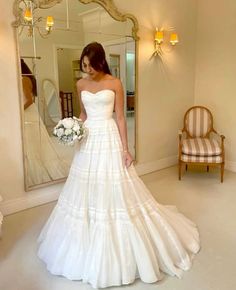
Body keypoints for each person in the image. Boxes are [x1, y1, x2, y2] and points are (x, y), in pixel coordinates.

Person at [37, 42, 200, 289]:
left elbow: (121, 117)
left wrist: (126, 149)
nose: (87, 70)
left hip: (109, 137)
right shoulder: (81, 84)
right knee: (86, 185)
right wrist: (72, 129)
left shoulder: (115, 83)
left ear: (101, 61)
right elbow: (83, 115)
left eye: (90, 65)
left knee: (115, 185)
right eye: (84, 65)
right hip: (88, 140)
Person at [21, 59, 69, 186]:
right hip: (29, 113)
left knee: (31, 142)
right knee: (33, 142)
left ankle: (36, 169)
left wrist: (18, 111)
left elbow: (29, 100)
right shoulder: (25, 78)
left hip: (27, 113)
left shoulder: (24, 79)